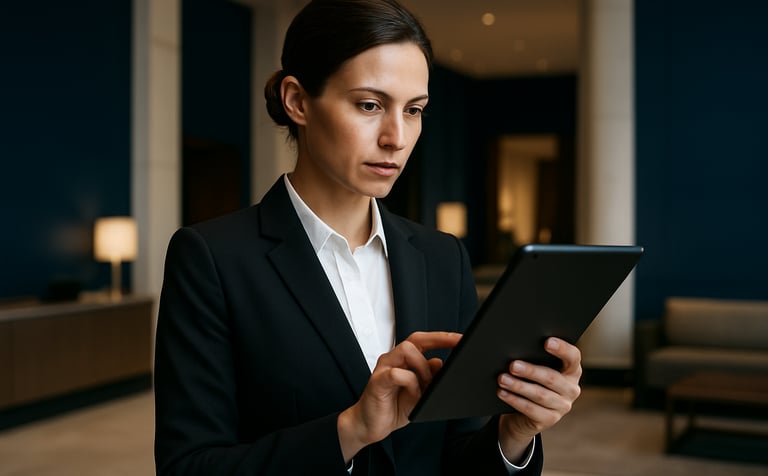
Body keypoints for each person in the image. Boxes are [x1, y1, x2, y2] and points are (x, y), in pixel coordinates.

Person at [153, 0, 582, 474]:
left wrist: (513, 434)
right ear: (298, 101)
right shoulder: (212, 259)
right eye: (370, 105)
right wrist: (351, 430)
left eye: (414, 110)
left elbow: (458, 453)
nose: (396, 137)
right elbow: (187, 467)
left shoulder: (443, 258)